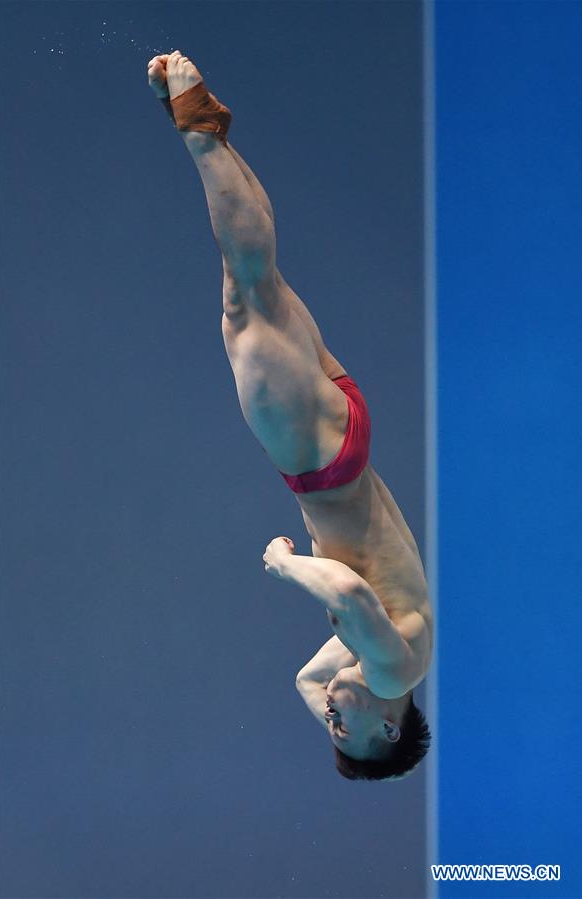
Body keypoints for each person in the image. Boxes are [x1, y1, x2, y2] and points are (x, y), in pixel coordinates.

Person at [148, 50, 433, 781]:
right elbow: (344, 590)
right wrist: (283, 564)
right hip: (320, 465)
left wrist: (334, 710)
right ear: (389, 725)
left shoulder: (378, 666)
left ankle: (208, 134)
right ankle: (199, 128)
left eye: (329, 730)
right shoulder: (393, 669)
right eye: (348, 734)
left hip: (343, 446)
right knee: (244, 299)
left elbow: (307, 684)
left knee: (257, 287)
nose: (332, 719)